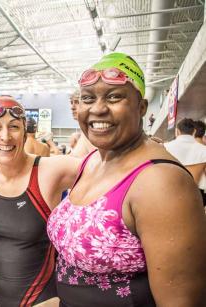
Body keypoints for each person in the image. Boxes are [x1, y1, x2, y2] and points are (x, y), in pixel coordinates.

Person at [47, 52, 206, 307]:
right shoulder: (92, 161)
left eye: (114, 96)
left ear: (141, 107)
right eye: (88, 98)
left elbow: (182, 301)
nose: (98, 108)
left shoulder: (160, 182)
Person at [0, 95, 80, 307]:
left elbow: (105, 170)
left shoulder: (49, 170)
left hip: (42, 300)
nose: (5, 136)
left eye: (13, 126)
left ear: (25, 132)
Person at [164, 118, 206, 185]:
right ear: (194, 131)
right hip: (197, 192)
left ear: (177, 131)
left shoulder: (164, 147)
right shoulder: (203, 149)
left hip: (169, 189)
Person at [69, 90, 95, 158]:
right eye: (71, 103)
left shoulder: (93, 132)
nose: (72, 107)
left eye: (77, 102)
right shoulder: (82, 134)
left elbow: (99, 164)